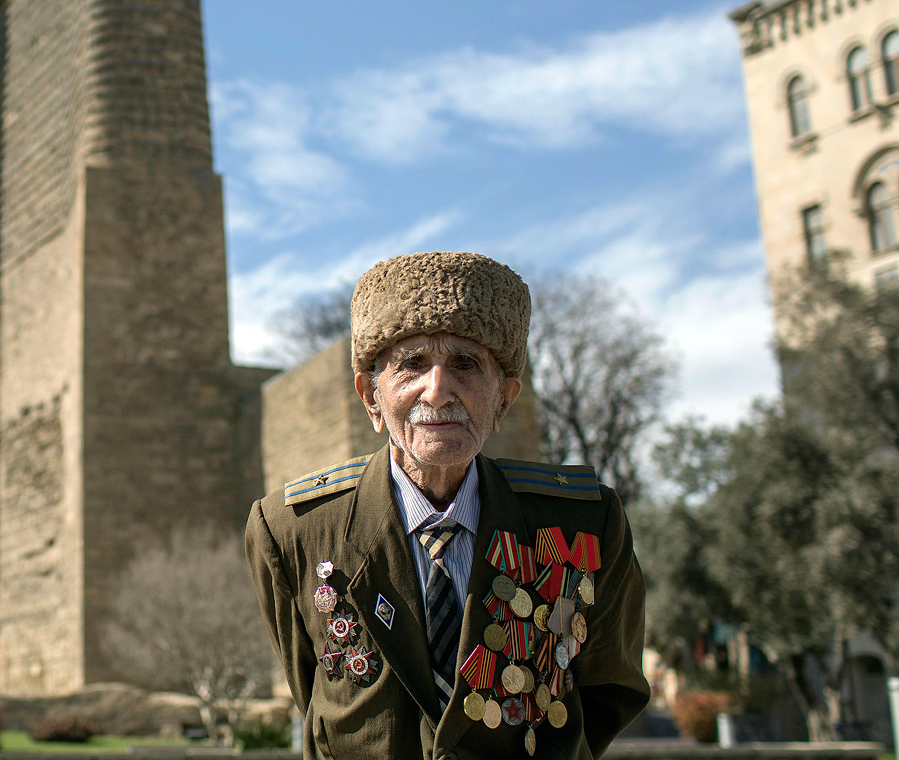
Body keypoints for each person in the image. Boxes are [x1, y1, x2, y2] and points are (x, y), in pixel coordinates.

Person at [246, 251, 648, 759]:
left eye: (465, 364)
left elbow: (609, 686)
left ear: (504, 398)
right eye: (412, 363)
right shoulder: (292, 530)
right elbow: (316, 694)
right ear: (370, 396)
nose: (437, 391)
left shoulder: (582, 524)